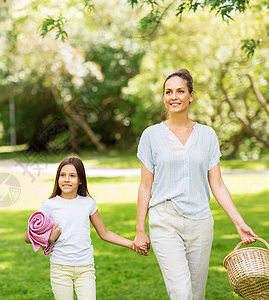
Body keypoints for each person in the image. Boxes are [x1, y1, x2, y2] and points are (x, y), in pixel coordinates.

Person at [133, 68, 257, 300]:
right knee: (181, 293)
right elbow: (145, 186)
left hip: (200, 222)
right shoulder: (151, 135)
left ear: (191, 95)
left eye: (180, 91)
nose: (174, 97)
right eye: (168, 92)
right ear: (163, 97)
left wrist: (239, 223)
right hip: (164, 219)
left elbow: (217, 185)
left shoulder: (207, 135)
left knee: (196, 294)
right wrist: (140, 229)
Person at [25, 156, 146, 300]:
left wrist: (132, 244)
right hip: (60, 268)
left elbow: (104, 233)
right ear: (57, 179)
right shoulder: (49, 205)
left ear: (80, 180)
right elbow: (28, 237)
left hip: (85, 268)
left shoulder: (88, 203)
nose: (66, 179)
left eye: (72, 176)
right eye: (62, 175)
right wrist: (49, 238)